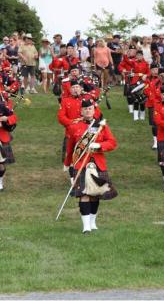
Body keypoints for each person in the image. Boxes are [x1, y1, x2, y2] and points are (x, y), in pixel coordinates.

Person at [65, 98, 117, 233]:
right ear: (81, 111)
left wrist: (99, 145)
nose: (88, 111)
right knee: (84, 195)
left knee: (95, 194)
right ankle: (86, 227)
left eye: (90, 109)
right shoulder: (74, 126)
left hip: (97, 164)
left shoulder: (101, 126)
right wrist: (67, 164)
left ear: (94, 110)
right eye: (85, 109)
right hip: (81, 164)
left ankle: (92, 222)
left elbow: (112, 143)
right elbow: (71, 148)